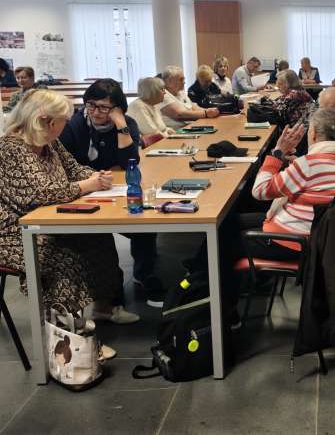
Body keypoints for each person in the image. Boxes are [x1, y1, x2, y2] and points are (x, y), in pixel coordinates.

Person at [0, 89, 138, 329]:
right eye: (63, 120)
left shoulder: (48, 142)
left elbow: (74, 169)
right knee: (64, 255)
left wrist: (97, 176)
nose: (66, 124)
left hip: (44, 219)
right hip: (13, 231)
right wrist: (87, 185)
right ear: (46, 121)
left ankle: (104, 307)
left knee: (98, 238)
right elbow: (37, 195)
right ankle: (66, 334)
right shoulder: (11, 148)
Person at [59, 79, 163, 306]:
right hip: (82, 193)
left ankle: (144, 275)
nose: (96, 112)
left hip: (114, 190)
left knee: (144, 223)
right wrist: (91, 178)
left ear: (117, 108)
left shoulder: (127, 123)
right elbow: (65, 166)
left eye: (104, 107)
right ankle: (110, 296)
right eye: (91, 105)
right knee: (98, 237)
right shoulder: (74, 126)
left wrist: (120, 124)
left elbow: (129, 163)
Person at [235, 108, 335, 260]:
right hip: (317, 237)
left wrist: (277, 153)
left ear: (312, 134)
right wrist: (297, 164)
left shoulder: (307, 166)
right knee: (233, 221)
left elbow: (259, 191)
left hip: (293, 242)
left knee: (225, 238)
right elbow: (316, 178)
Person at [159, 65, 219, 130]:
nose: (184, 82)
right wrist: (206, 113)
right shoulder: (163, 94)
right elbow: (180, 114)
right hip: (177, 131)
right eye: (181, 79)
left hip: (191, 127)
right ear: (169, 81)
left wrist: (210, 111)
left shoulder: (181, 92)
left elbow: (194, 107)